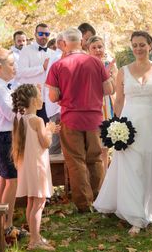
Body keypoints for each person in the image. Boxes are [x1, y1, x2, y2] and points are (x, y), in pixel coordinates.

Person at [94, 32, 152, 234]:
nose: (138, 49)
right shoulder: (123, 71)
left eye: (142, 45)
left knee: (150, 162)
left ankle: (149, 200)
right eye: (135, 45)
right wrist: (115, 125)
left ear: (150, 46)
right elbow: (118, 101)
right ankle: (135, 210)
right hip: (129, 124)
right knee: (131, 165)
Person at [46, 28, 114, 213]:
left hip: (71, 118)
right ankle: (98, 197)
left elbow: (53, 97)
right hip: (94, 117)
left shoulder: (58, 66)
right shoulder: (95, 62)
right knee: (95, 158)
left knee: (76, 161)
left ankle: (84, 203)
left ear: (64, 43)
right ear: (82, 42)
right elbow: (108, 89)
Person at [11, 84, 59, 250]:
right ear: (33, 101)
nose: (42, 99)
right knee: (39, 203)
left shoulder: (20, 119)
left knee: (32, 202)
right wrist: (50, 129)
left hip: (27, 166)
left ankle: (35, 235)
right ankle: (35, 241)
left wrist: (46, 129)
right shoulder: (37, 120)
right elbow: (45, 143)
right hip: (38, 166)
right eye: (40, 96)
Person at [0, 48, 23, 238]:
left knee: (4, 178)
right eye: (10, 64)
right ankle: (7, 225)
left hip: (4, 135)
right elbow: (12, 115)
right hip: (4, 137)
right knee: (12, 181)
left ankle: (2, 220)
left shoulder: (4, 86)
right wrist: (27, 106)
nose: (14, 67)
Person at [87, 35, 117, 169]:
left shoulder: (110, 65)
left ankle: (104, 178)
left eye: (100, 47)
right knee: (94, 147)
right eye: (94, 48)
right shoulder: (85, 66)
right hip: (92, 108)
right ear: (89, 50)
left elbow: (114, 89)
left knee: (105, 147)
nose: (97, 50)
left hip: (107, 108)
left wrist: (109, 77)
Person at [16, 23, 55, 122]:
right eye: (41, 34)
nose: (44, 36)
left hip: (47, 100)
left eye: (47, 34)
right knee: (29, 132)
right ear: (35, 34)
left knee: (45, 132)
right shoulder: (26, 50)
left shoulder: (52, 54)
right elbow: (21, 72)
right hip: (30, 99)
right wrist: (42, 67)